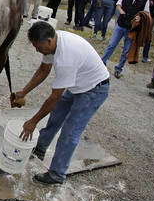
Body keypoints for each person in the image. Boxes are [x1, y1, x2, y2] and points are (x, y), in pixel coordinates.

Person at [14, 21, 110, 185]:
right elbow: (43, 70)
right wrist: (23, 92)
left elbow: (54, 97)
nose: (37, 50)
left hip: (94, 89)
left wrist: (33, 122)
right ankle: (40, 148)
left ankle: (57, 174)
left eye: (38, 47)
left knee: (70, 131)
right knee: (55, 117)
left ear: (49, 41)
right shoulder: (54, 41)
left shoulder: (65, 57)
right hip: (77, 86)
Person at [101, 0, 149, 78]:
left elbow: (146, 14)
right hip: (121, 23)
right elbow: (118, 4)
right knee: (112, 44)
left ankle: (119, 68)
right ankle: (102, 62)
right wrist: (121, 12)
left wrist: (140, 18)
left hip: (132, 28)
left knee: (126, 50)